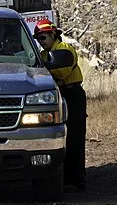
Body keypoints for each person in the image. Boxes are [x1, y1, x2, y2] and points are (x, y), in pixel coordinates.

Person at [33, 19, 86, 191]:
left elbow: (62, 73)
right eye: (38, 38)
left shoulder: (64, 50)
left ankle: (77, 180)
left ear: (53, 34)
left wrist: (45, 71)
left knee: (74, 137)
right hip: (56, 95)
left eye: (43, 37)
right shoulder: (41, 55)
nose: (41, 41)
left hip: (72, 94)